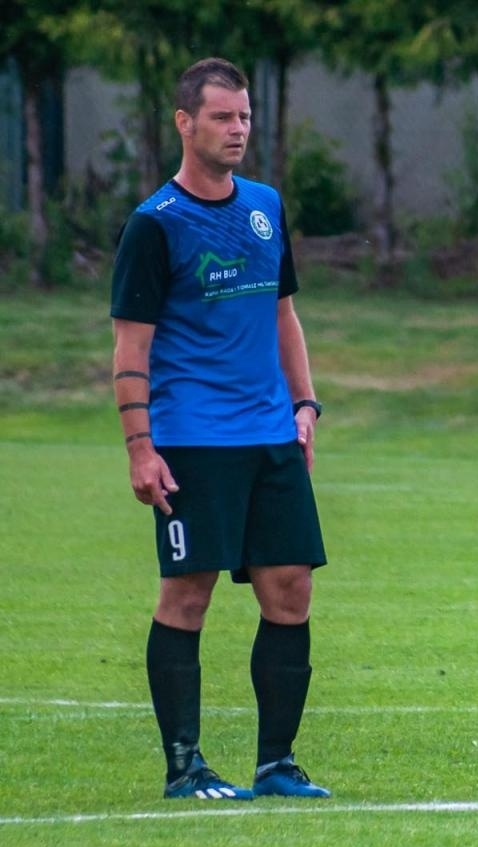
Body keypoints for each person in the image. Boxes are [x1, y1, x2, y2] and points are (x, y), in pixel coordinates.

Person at [110, 58, 330, 801]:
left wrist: (305, 406)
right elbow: (130, 349)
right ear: (184, 123)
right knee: (189, 597)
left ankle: (277, 766)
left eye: (243, 117)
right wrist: (141, 448)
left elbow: (281, 314)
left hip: (270, 436)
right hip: (192, 440)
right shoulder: (155, 226)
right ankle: (185, 767)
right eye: (221, 118)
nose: (237, 129)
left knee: (290, 590)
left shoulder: (265, 206)